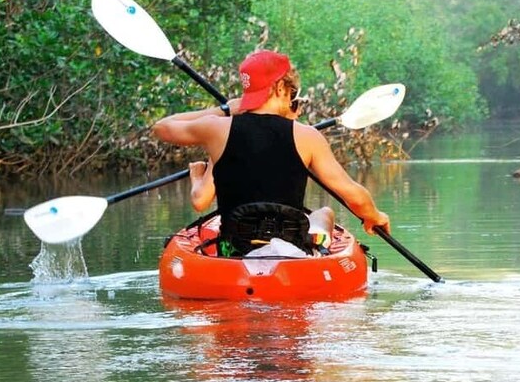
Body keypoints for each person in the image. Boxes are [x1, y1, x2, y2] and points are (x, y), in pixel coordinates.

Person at [152, 50, 389, 255]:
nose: (292, 97)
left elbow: (162, 127)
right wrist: (375, 216)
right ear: (279, 87)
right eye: (292, 90)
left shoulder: (215, 128)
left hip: (234, 249)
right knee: (324, 213)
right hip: (292, 250)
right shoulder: (307, 136)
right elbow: (353, 194)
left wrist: (223, 109)